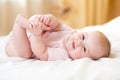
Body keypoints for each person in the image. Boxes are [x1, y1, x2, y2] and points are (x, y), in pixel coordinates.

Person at [5, 14, 111, 61]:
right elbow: (58, 25)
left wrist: (36, 36)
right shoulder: (71, 32)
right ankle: (25, 23)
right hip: (31, 29)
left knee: (25, 54)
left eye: (84, 49)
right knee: (40, 19)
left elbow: (42, 53)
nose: (79, 42)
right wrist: (50, 20)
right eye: (83, 37)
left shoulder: (64, 54)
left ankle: (19, 23)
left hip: (16, 43)